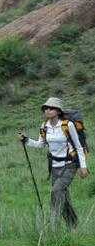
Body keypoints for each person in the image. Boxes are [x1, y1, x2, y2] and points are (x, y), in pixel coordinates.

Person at [19, 97, 89, 229]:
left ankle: (53, 227)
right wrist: (26, 140)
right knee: (63, 196)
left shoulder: (68, 125)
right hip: (55, 167)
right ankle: (73, 225)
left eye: (50, 108)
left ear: (58, 110)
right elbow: (41, 144)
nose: (47, 110)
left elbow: (78, 146)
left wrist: (83, 166)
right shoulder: (44, 126)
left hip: (69, 165)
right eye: (45, 108)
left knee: (56, 191)